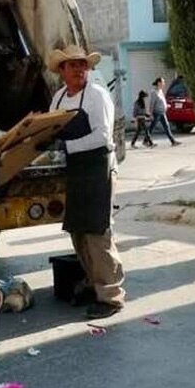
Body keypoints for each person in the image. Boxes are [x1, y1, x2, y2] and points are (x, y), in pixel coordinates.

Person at [48, 44, 126, 319]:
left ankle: (111, 296)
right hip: (76, 172)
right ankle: (93, 284)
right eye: (73, 65)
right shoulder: (58, 98)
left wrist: (66, 148)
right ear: (62, 71)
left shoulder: (97, 95)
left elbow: (102, 137)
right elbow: (53, 130)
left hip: (99, 168)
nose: (80, 69)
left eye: (83, 64)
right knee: (78, 232)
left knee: (98, 232)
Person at [148, 77, 181, 147]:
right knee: (152, 127)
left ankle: (173, 141)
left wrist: (166, 105)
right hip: (157, 113)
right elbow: (152, 103)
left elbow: (162, 101)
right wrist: (150, 113)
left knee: (166, 127)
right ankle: (146, 140)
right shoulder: (154, 92)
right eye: (163, 82)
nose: (164, 84)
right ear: (159, 83)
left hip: (162, 112)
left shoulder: (160, 91)